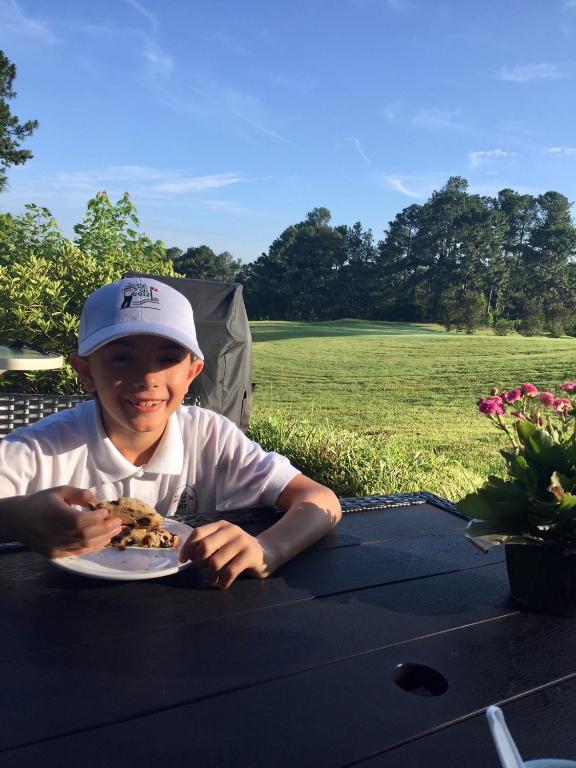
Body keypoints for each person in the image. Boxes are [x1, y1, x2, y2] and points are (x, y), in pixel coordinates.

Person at [0, 277, 341, 588]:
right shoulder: (43, 448)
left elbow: (321, 500)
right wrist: (17, 519)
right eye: (122, 358)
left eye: (168, 359)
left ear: (192, 372)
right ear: (86, 372)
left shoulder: (211, 436)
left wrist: (267, 549)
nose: (148, 378)